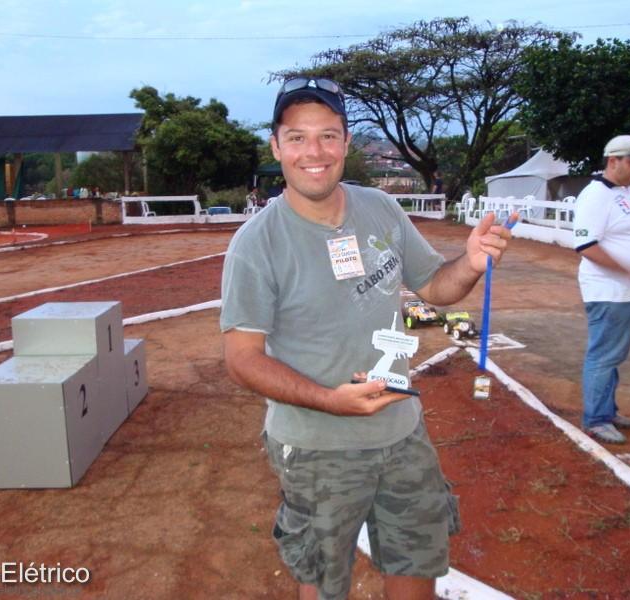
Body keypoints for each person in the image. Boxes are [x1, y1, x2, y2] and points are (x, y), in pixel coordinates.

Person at [220, 76, 515, 600]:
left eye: (328, 135)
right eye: (297, 137)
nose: (315, 151)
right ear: (276, 145)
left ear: (347, 143)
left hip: (402, 433)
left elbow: (434, 287)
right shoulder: (256, 244)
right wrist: (330, 401)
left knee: (416, 564)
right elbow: (243, 359)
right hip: (315, 448)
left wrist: (470, 263)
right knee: (324, 583)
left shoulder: (380, 208)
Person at [573, 135, 630, 444]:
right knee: (604, 355)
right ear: (613, 162)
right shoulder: (595, 195)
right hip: (608, 291)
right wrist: (627, 270)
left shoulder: (623, 191)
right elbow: (585, 245)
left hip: (625, 292)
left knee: (613, 355)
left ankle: (606, 410)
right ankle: (596, 418)